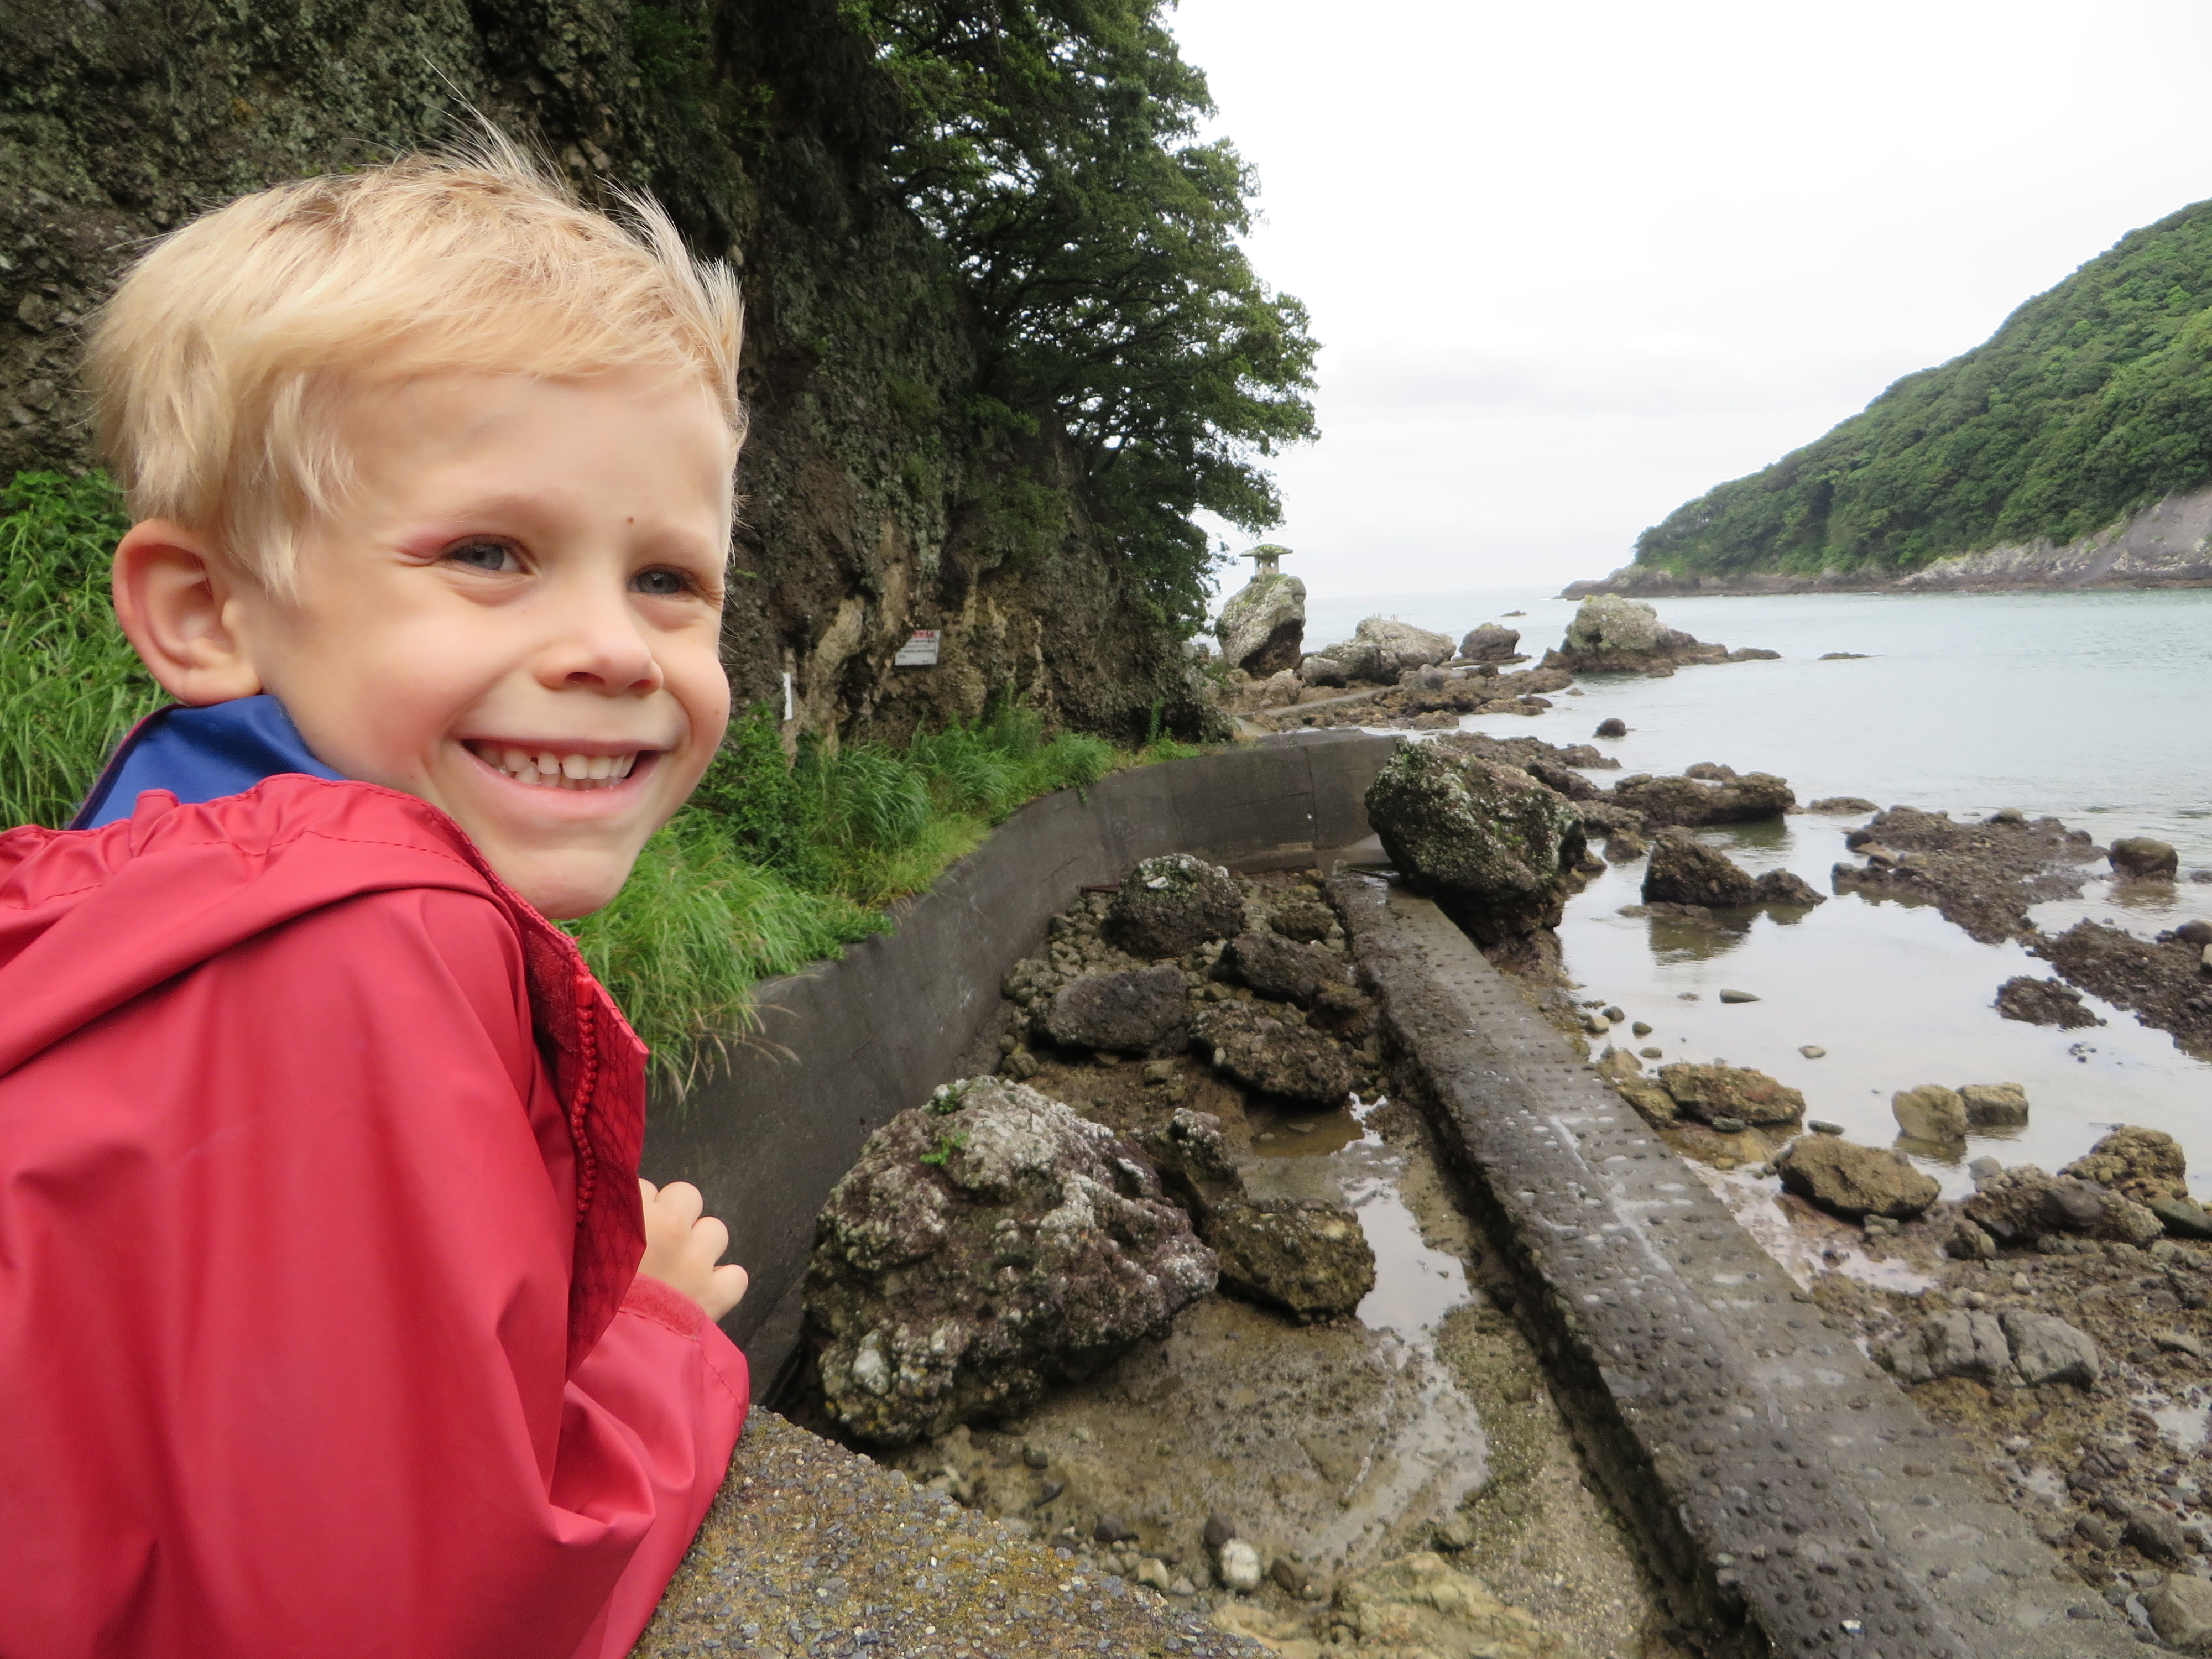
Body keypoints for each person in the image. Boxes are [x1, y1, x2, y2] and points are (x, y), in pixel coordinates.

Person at [0, 140, 755, 1657]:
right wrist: (651, 1340)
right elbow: (422, 1606)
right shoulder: (364, 949)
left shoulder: (156, 880)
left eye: (670, 580)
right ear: (207, 613)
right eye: (490, 554)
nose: (616, 650)